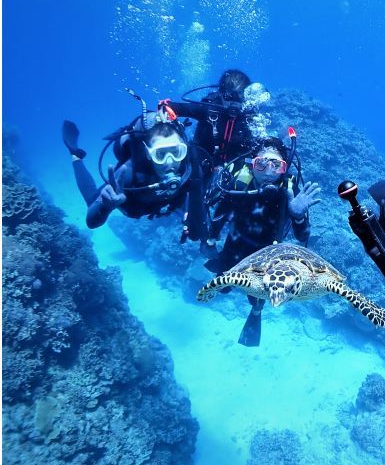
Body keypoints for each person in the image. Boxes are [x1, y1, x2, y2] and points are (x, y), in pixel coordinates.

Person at [202, 136, 321, 347]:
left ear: (284, 169)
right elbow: (221, 213)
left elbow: (303, 237)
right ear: (252, 164)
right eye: (261, 164)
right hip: (235, 245)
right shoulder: (240, 183)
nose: (268, 171)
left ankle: (256, 312)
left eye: (276, 165)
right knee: (223, 286)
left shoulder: (289, 191)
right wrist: (210, 240)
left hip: (269, 256)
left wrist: (298, 215)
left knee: (257, 297)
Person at [62, 118, 197, 230]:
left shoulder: (188, 166)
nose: (170, 162)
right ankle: (76, 156)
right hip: (133, 207)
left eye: (176, 152)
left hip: (161, 204)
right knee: (93, 199)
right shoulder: (127, 173)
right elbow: (91, 223)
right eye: (160, 154)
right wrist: (106, 207)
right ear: (148, 153)